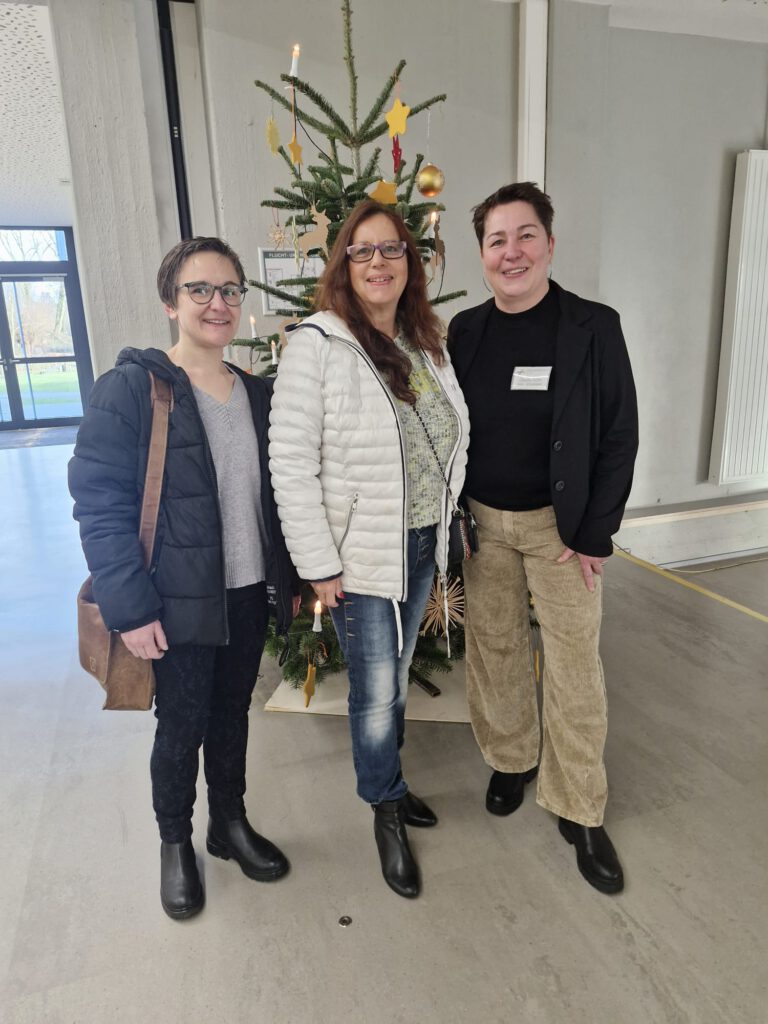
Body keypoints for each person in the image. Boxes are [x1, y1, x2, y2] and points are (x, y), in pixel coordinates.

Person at [69, 237, 299, 920]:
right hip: (174, 602)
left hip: (246, 593)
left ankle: (228, 825)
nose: (217, 303)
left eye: (230, 290)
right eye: (200, 289)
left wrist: (288, 579)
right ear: (171, 303)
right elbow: (100, 502)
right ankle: (176, 843)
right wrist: (131, 607)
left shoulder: (257, 394)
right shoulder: (135, 389)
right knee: (180, 728)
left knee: (232, 718)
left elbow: (275, 496)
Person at [269, 200, 470, 899]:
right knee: (376, 690)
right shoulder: (316, 345)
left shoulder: (426, 341)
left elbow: (449, 435)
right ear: (344, 266)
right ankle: (385, 807)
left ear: (409, 262)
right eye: (362, 251)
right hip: (360, 555)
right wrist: (319, 564)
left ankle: (392, 779)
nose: (378, 262)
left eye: (391, 250)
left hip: (420, 542)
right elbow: (290, 463)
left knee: (400, 668)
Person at [447, 183, 638, 895]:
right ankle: (512, 759)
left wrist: (596, 534)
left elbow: (619, 434)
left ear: (550, 245)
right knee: (493, 649)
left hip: (563, 534)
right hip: (483, 527)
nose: (512, 252)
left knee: (574, 666)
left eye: (525, 236)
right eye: (497, 241)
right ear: (483, 255)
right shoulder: (467, 330)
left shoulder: (592, 326)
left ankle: (579, 804)